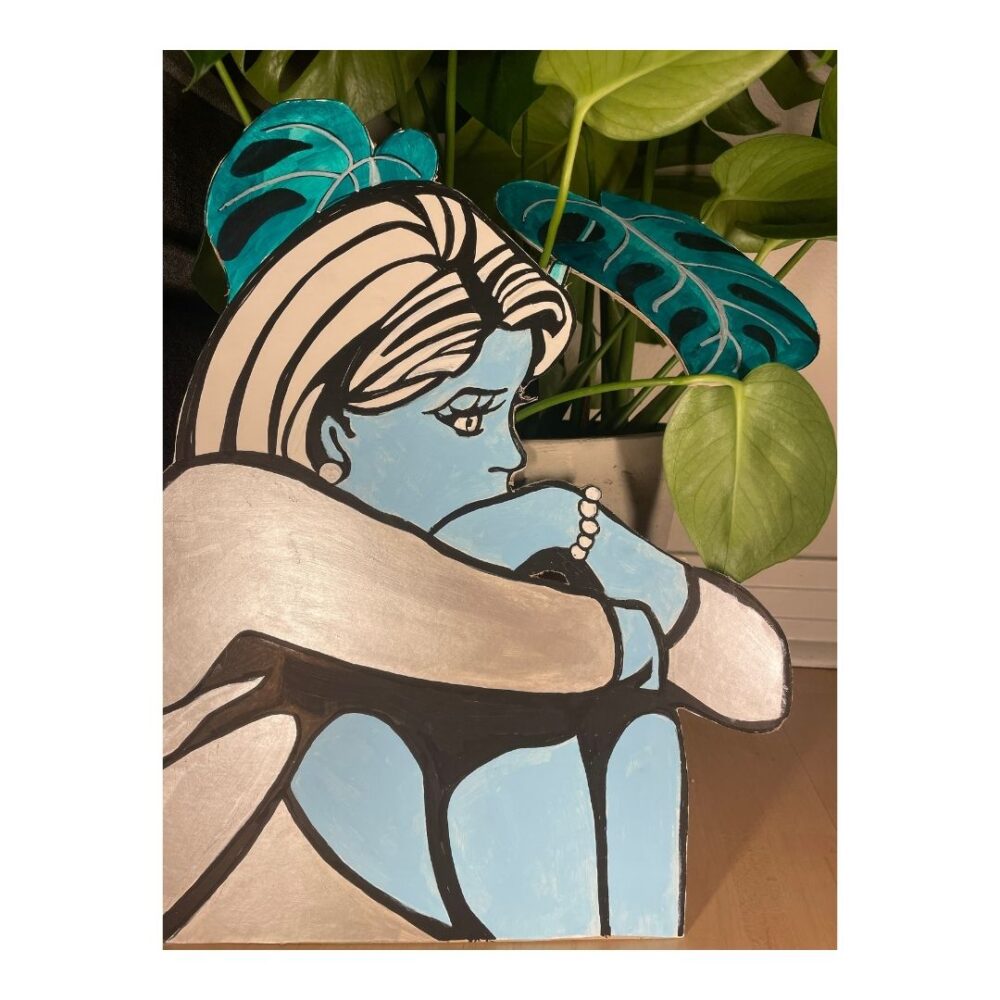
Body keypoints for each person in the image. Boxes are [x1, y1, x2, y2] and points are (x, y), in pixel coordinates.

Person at [164, 180, 789, 944]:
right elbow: (583, 649)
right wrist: (589, 576)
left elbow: (757, 688)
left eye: (508, 409)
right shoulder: (228, 515)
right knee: (562, 716)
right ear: (331, 433)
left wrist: (601, 545)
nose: (510, 454)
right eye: (465, 416)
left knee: (623, 723)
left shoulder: (464, 549)